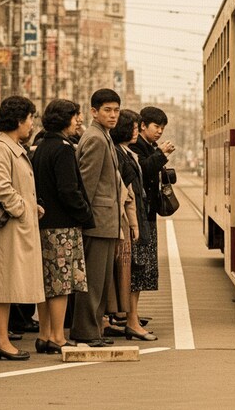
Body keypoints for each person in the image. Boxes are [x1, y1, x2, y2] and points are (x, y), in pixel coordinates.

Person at [0, 95, 45, 361]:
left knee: (5, 283)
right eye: (30, 119)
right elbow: (0, 184)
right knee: (1, 284)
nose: (31, 125)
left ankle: (1, 340)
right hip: (7, 227)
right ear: (19, 121)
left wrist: (30, 205)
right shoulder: (2, 148)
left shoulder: (10, 146)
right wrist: (22, 208)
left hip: (15, 226)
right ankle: (1, 341)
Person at [32, 99, 92, 354]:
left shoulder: (43, 146)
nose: (79, 120)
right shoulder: (64, 149)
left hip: (43, 224)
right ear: (64, 119)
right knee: (61, 284)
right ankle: (58, 336)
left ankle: (44, 333)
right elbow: (68, 190)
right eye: (75, 116)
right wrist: (85, 214)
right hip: (62, 226)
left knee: (46, 283)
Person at [70, 89, 123, 347]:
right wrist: (85, 220)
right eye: (107, 110)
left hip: (105, 222)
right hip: (97, 222)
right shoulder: (96, 139)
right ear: (94, 112)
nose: (113, 115)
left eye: (116, 110)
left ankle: (94, 330)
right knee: (92, 281)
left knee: (101, 282)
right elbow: (86, 185)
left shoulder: (103, 136)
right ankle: (86, 331)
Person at [127, 107, 173, 332]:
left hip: (146, 215)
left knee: (142, 269)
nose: (160, 132)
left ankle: (130, 315)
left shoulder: (148, 147)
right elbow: (142, 171)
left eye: (162, 128)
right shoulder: (135, 146)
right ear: (142, 125)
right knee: (137, 269)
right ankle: (130, 319)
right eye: (156, 127)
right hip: (138, 216)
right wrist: (160, 155)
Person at [110, 109, 154, 340]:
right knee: (131, 273)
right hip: (128, 220)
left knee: (133, 272)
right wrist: (133, 224)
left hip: (135, 217)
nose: (137, 131)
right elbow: (125, 192)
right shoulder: (118, 153)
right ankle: (131, 320)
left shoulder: (125, 152)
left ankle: (131, 319)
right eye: (134, 127)